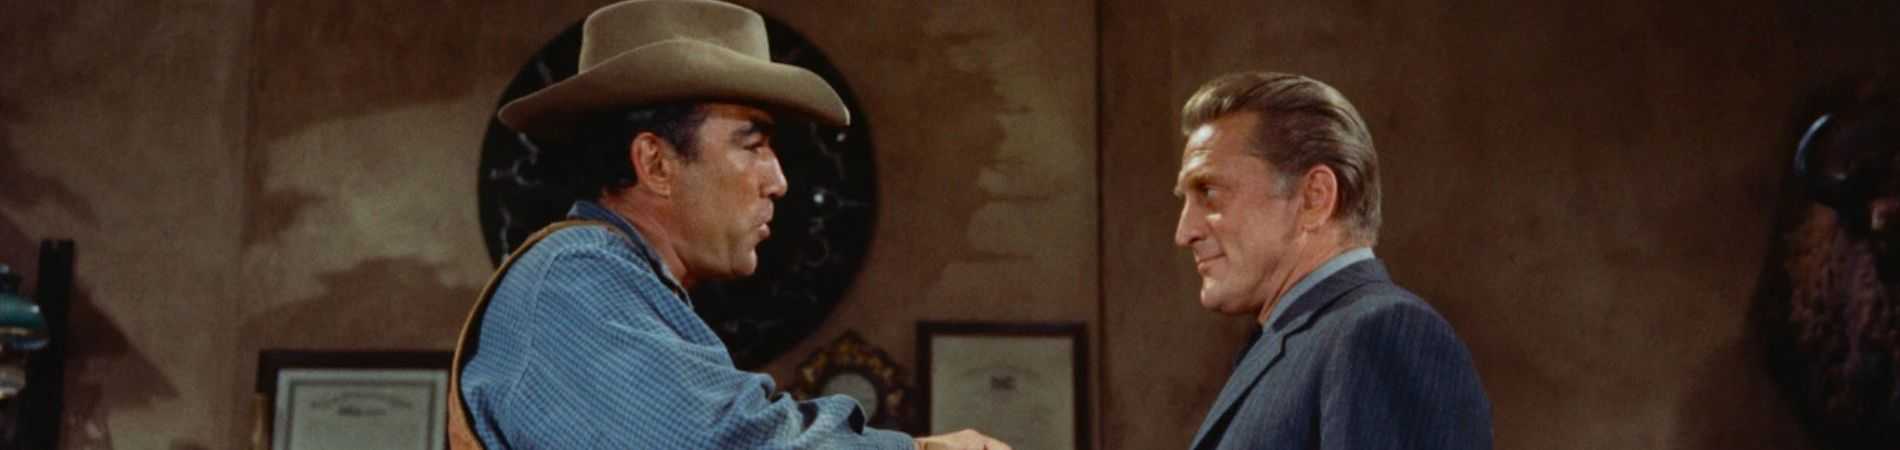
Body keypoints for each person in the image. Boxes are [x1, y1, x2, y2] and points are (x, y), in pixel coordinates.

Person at [446, 1, 1010, 449]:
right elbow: (722, 441)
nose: (778, 181)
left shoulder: (627, 286)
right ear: (656, 164)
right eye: (753, 144)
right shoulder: (573, 278)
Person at [1173, 72, 1492, 449]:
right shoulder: (1294, 340)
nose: (1184, 232)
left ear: (1315, 198)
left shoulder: (1379, 335)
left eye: (1209, 192)